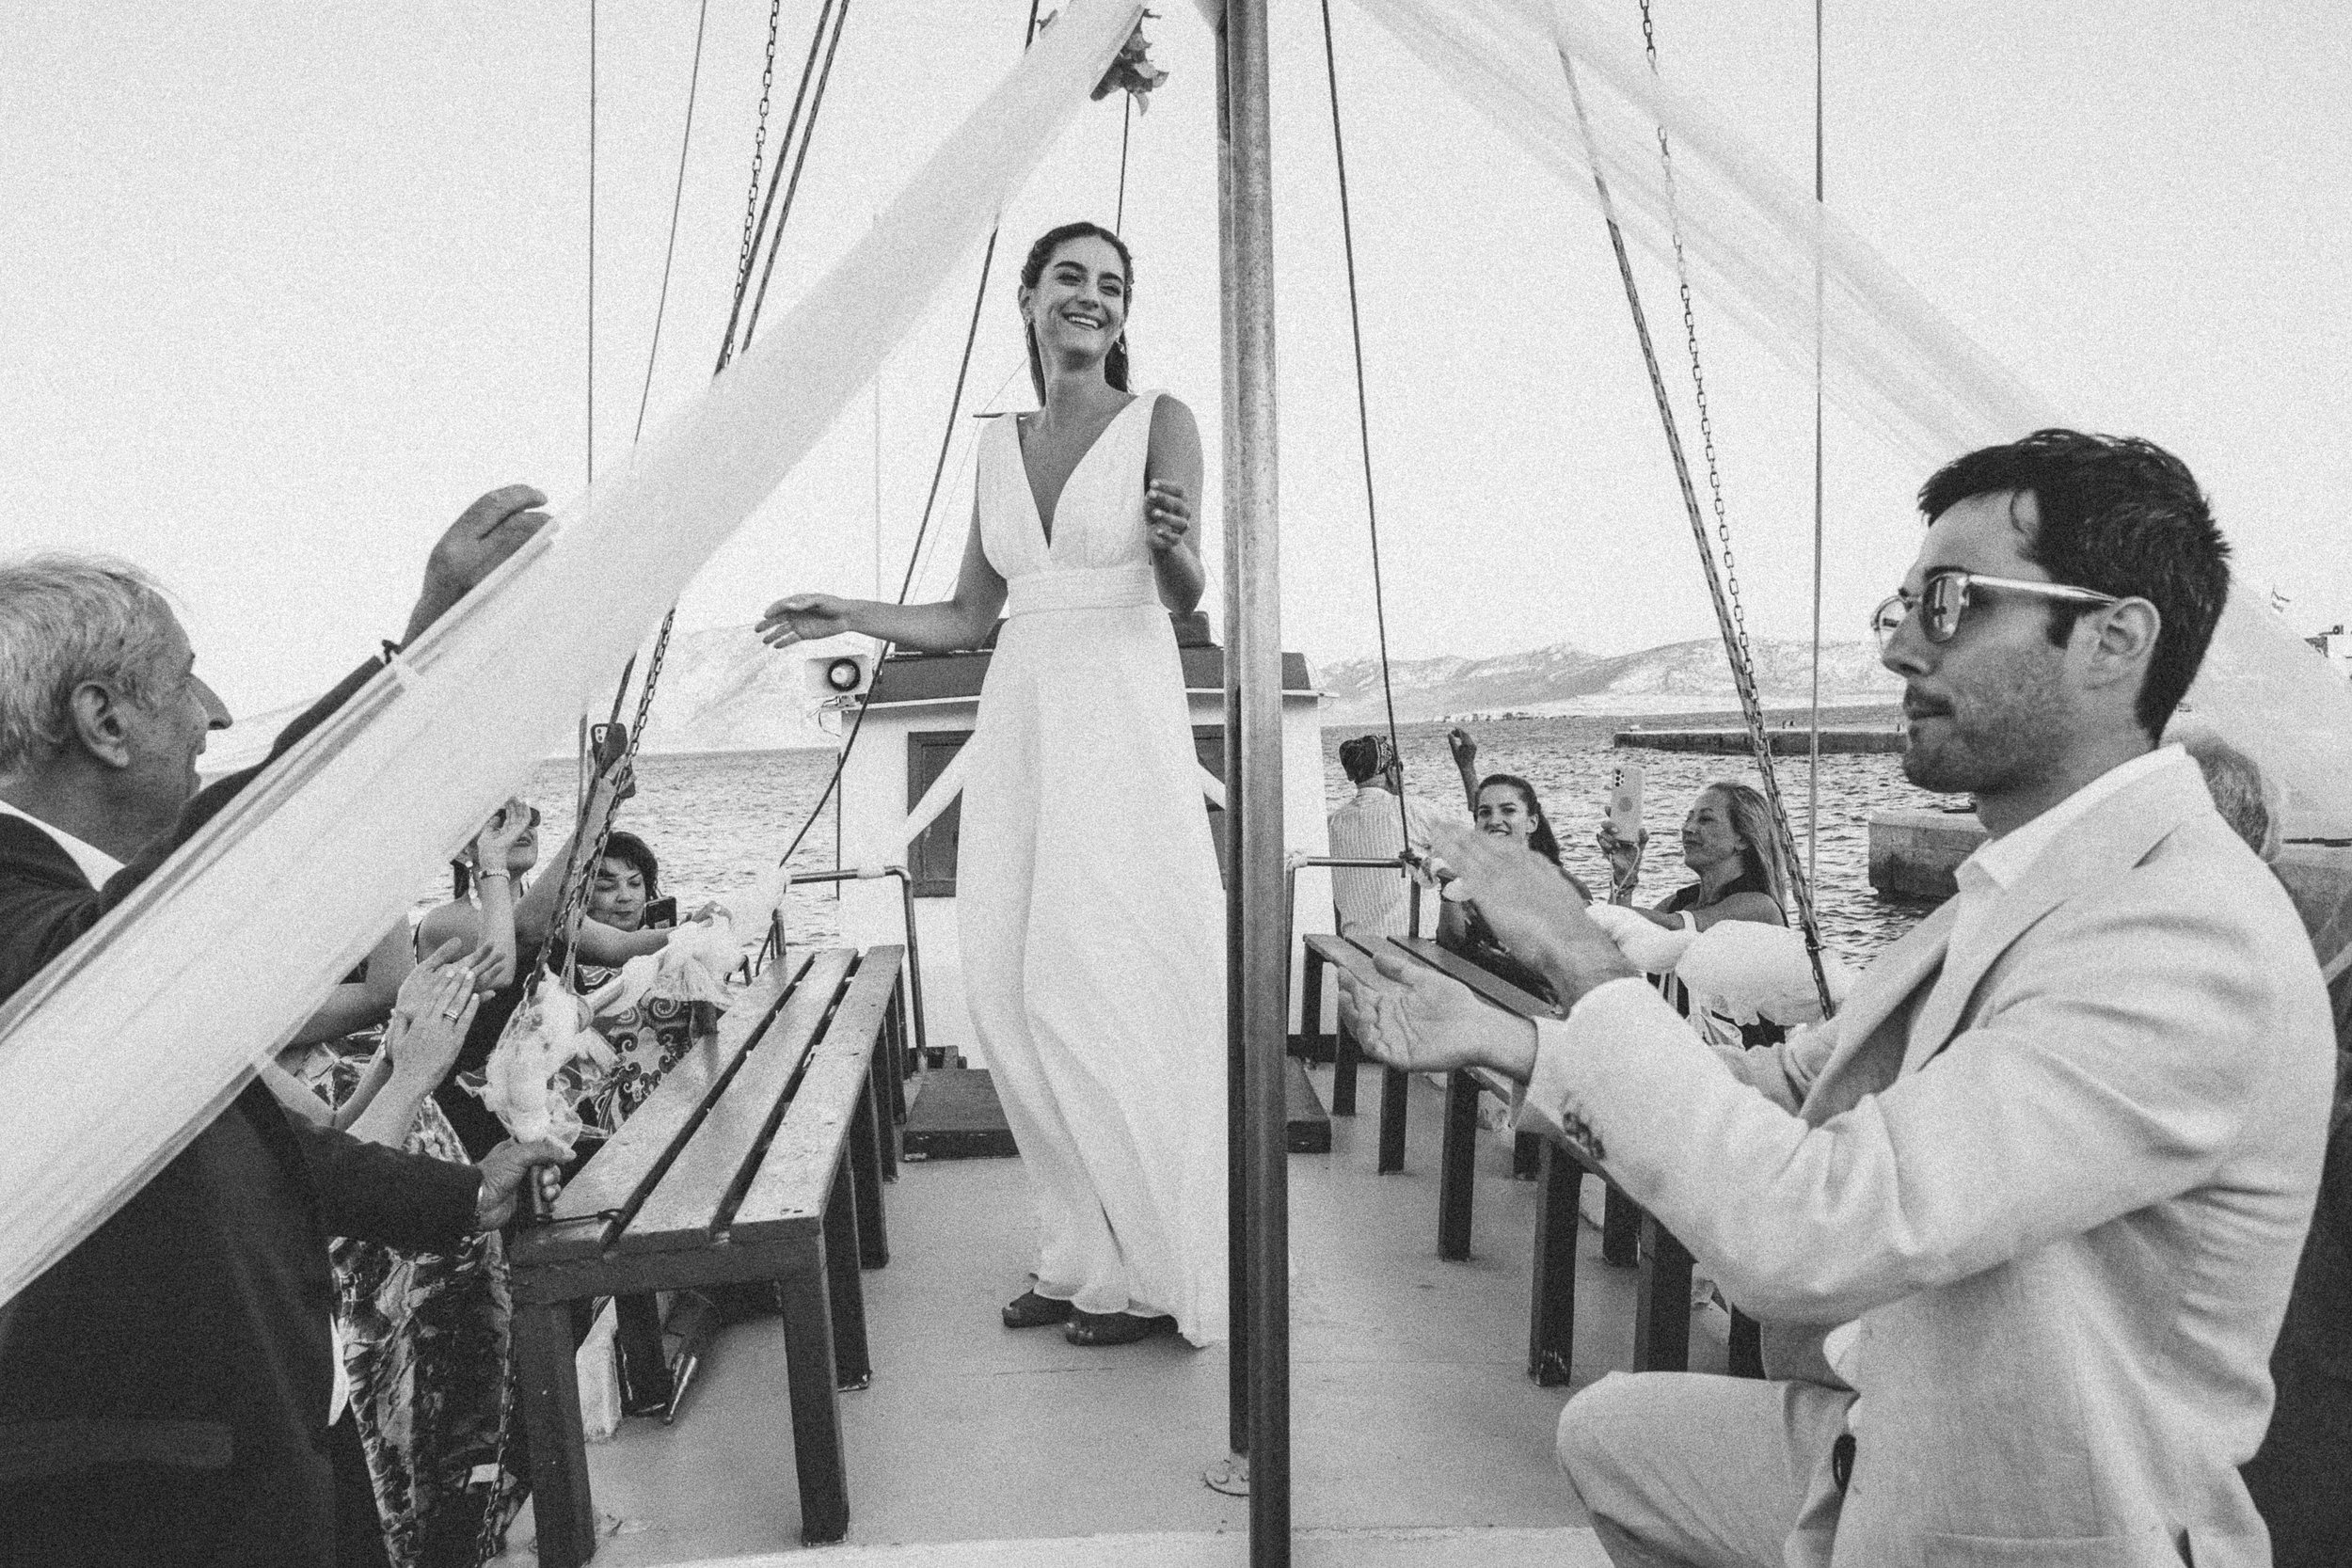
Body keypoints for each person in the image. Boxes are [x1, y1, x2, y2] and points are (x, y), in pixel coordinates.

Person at [1336, 431, 2334, 1568]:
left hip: (2040, 1522)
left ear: (2113, 639)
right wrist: (1516, 1041)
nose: (1901, 646)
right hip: (1894, 1436)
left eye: (1950, 602)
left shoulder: (2187, 937)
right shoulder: (2016, 888)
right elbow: (1786, 1085)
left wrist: (1577, 952)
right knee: (1616, 1437)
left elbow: (1810, 1230)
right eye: (1901, 607)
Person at [0, 489, 569, 1568]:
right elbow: (238, 864)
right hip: (145, 1505)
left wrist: (461, 1194)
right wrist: (428, 654)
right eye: (184, 679)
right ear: (104, 721)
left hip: (275, 1437)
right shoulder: (39, 917)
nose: (213, 716)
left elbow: (240, 1144)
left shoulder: (95, 922)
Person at [758, 220, 1225, 1348]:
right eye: (1069, 277)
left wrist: (1172, 546)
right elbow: (971, 614)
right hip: (1022, 715)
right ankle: (1078, 1256)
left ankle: (1159, 1268)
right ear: (1027, 296)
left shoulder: (1161, 418)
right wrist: (849, 612)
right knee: (1009, 987)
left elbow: (1185, 593)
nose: (1090, 296)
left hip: (1119, 715)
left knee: (1103, 981)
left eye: (1110, 283)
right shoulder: (997, 445)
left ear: (1125, 310)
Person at [1600, 780, 1789, 1050]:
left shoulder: (1758, 907)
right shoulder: (1678, 903)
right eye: (1689, 818)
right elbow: (1612, 946)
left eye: (1705, 819)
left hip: (1744, 1067)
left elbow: (1678, 930)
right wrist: (1624, 876)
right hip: (1683, 1060)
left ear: (1742, 839)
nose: (1688, 828)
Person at [1436, 760, 1590, 1001]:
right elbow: (1450, 948)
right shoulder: (1471, 883)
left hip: (1539, 1009)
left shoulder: (1565, 887)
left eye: (1508, 810)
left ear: (1531, 823)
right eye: (1485, 813)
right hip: (1477, 998)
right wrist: (1449, 894)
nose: (1494, 820)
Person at [1327, 733, 1444, 939]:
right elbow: (1471, 847)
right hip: (1415, 943)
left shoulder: (1332, 822)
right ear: (1392, 771)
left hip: (1356, 942)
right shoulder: (1412, 809)